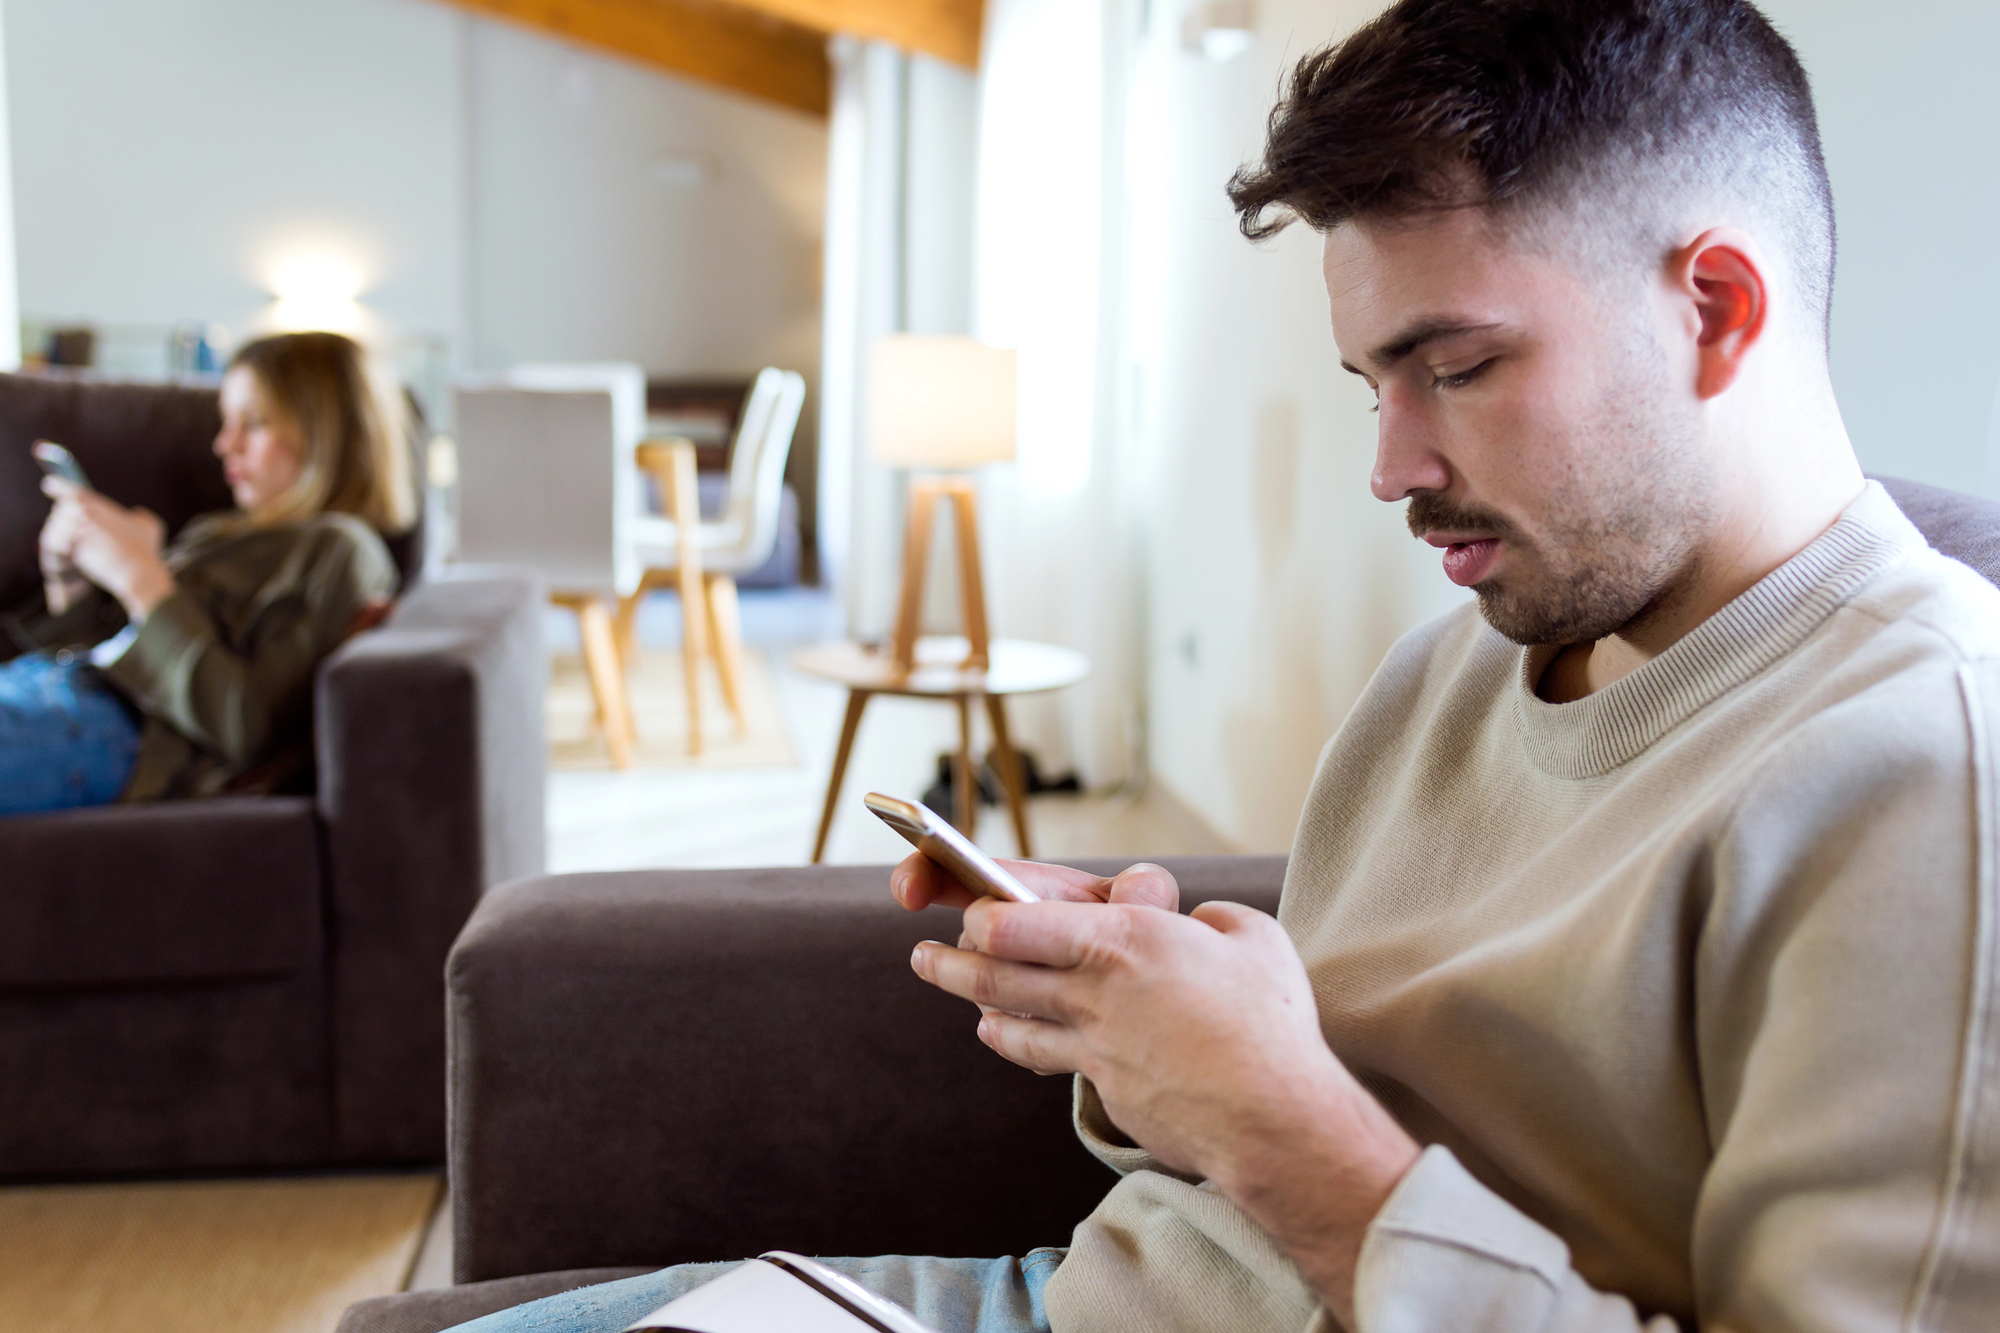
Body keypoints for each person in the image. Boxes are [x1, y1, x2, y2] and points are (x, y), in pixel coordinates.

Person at [445, 1, 1999, 1330]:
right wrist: (1151, 1032)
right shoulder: (1455, 671)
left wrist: (1277, 1116)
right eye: (1370, 382)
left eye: (1455, 367)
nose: (1392, 468)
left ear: (1716, 310)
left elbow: (1311, 1156)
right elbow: (1279, 1169)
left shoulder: (1923, 767)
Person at [0, 331, 412, 814]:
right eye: (225, 422)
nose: (224, 445)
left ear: (327, 436)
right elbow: (105, 647)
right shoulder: (221, 530)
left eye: (253, 425)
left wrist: (144, 582)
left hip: (109, 729)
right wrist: (69, 577)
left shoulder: (338, 551)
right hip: (46, 685)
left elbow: (248, 728)